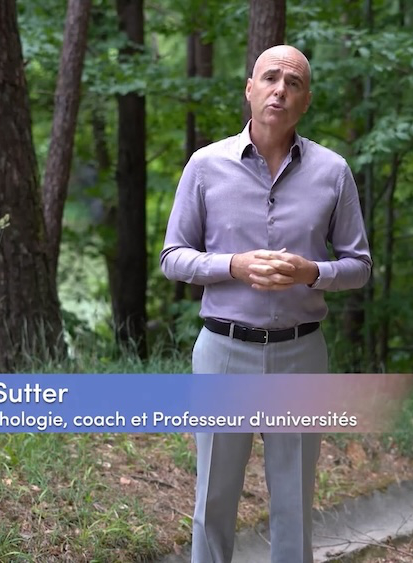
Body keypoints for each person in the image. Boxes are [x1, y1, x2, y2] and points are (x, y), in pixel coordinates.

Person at [159, 44, 372, 563]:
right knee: (213, 499)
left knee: (295, 504)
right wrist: (233, 265)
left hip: (301, 353)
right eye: (270, 78)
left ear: (305, 100)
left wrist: (312, 273)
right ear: (250, 90)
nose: (280, 88)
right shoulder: (205, 166)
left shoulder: (334, 171)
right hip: (224, 349)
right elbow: (172, 257)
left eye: (293, 82)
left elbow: (359, 266)